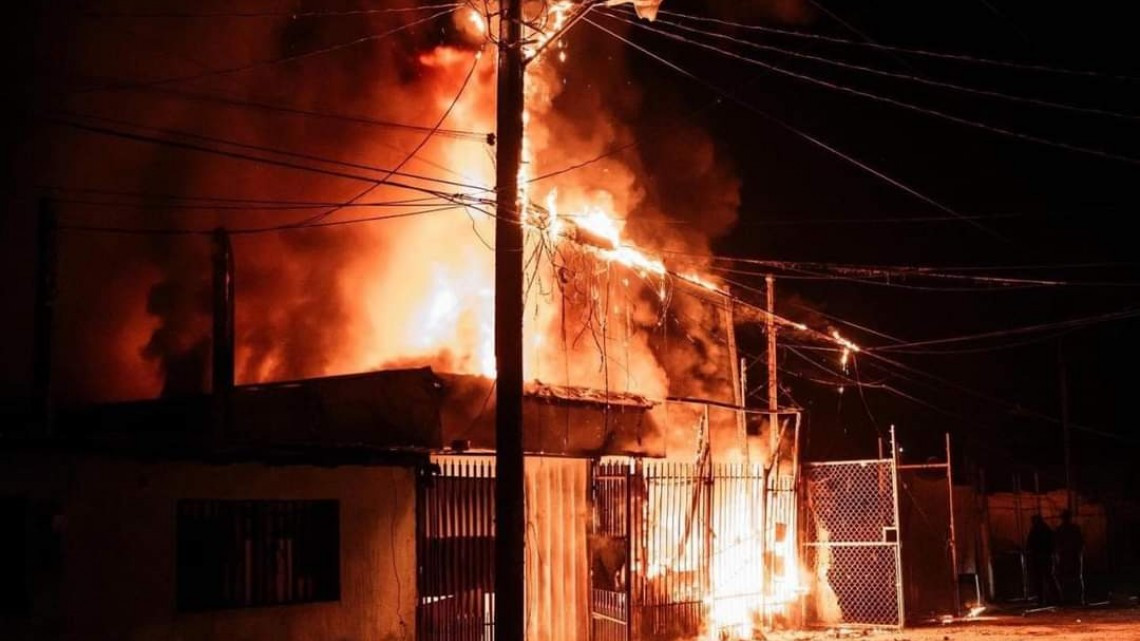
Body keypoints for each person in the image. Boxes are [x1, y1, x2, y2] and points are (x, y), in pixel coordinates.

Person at [1054, 509, 1085, 605]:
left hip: (1066, 557)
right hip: (1073, 556)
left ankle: (1067, 598)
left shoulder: (1060, 530)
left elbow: (1057, 544)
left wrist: (1059, 554)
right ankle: (1078, 599)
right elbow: (1080, 543)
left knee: (1066, 578)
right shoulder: (1074, 529)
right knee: (1076, 578)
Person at [1025, 514, 1056, 605]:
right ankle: (1053, 599)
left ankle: (1043, 599)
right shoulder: (1046, 530)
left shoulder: (1035, 531)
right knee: (1048, 578)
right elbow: (1052, 543)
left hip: (1039, 558)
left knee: (1041, 579)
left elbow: (1029, 544)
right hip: (1046, 557)